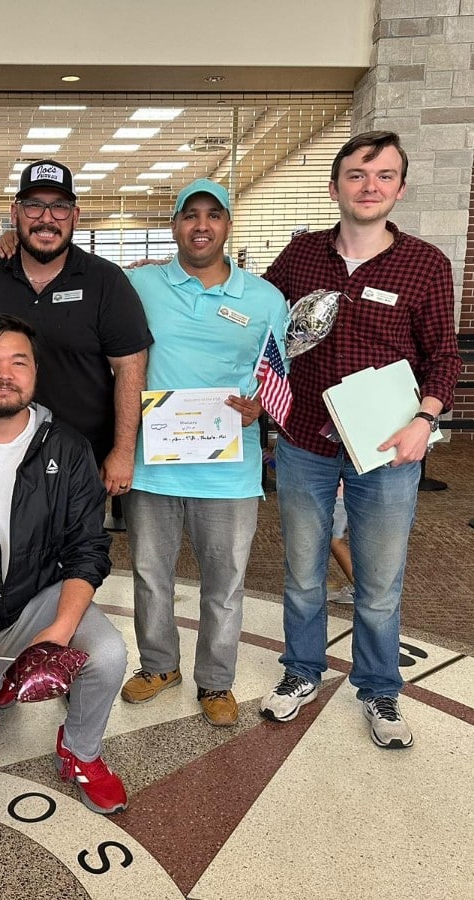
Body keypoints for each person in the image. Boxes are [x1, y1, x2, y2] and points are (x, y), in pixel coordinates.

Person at [260, 131, 461, 749]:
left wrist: (424, 422)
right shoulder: (299, 258)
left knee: (378, 580)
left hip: (385, 448)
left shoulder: (426, 264)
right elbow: (256, 318)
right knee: (301, 571)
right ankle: (301, 672)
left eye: (384, 176)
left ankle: (379, 688)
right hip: (304, 444)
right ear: (335, 186)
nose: (369, 186)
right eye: (357, 174)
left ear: (400, 188)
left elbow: (444, 357)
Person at [0, 315, 128, 814]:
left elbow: (88, 547)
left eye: (18, 362)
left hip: (39, 600)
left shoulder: (69, 446)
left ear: (36, 372)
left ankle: (80, 751)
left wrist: (59, 629)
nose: (4, 373)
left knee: (107, 655)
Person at [119, 179, 289, 727]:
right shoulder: (139, 285)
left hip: (229, 471)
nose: (201, 225)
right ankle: (159, 665)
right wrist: (7, 246)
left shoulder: (264, 299)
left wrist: (260, 404)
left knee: (225, 584)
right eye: (189, 215)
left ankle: (216, 681)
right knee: (150, 575)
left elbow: (279, 372)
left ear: (227, 226)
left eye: (213, 216)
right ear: (174, 225)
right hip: (155, 464)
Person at [0, 159, 151, 498]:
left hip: (82, 459)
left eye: (59, 207)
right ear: (15, 213)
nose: (47, 218)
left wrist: (123, 451)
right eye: (34, 205)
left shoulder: (106, 281)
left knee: (76, 549)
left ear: (75, 215)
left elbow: (131, 367)